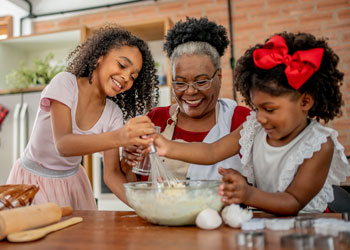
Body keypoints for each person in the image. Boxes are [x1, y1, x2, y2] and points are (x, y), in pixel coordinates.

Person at [154, 31, 350, 215]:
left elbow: (293, 201)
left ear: (305, 102)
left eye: (270, 109)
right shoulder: (255, 127)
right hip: (266, 221)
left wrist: (248, 193)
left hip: (307, 227)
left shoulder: (318, 145)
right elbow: (211, 151)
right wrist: (167, 147)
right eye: (257, 108)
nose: (260, 117)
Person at [7, 24, 158, 210]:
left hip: (73, 184)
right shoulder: (65, 83)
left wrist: (147, 208)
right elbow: (63, 144)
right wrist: (121, 136)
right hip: (33, 182)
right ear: (100, 57)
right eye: (122, 65)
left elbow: (111, 175)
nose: (127, 77)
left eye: (134, 76)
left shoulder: (113, 114)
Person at [121, 17, 250, 181]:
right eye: (180, 83)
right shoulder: (155, 120)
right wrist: (128, 162)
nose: (190, 91)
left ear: (219, 77)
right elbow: (137, 185)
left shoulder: (240, 120)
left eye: (201, 81)